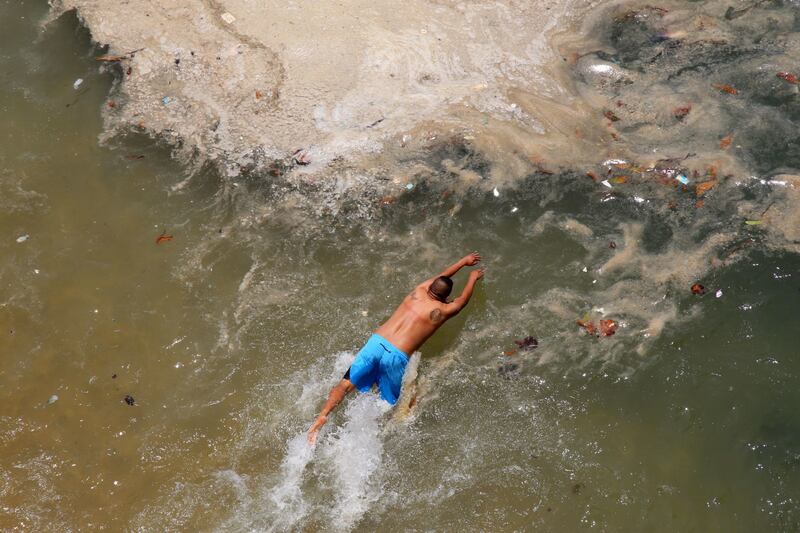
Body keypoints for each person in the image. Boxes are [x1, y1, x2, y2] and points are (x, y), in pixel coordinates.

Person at [308, 252, 485, 444]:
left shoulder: (418, 291)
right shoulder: (441, 311)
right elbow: (462, 301)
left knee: (345, 385)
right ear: (446, 297)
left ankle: (322, 417)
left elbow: (441, 276)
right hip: (396, 356)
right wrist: (472, 278)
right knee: (388, 404)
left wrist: (462, 262)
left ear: (430, 287)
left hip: (376, 343)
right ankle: (371, 436)